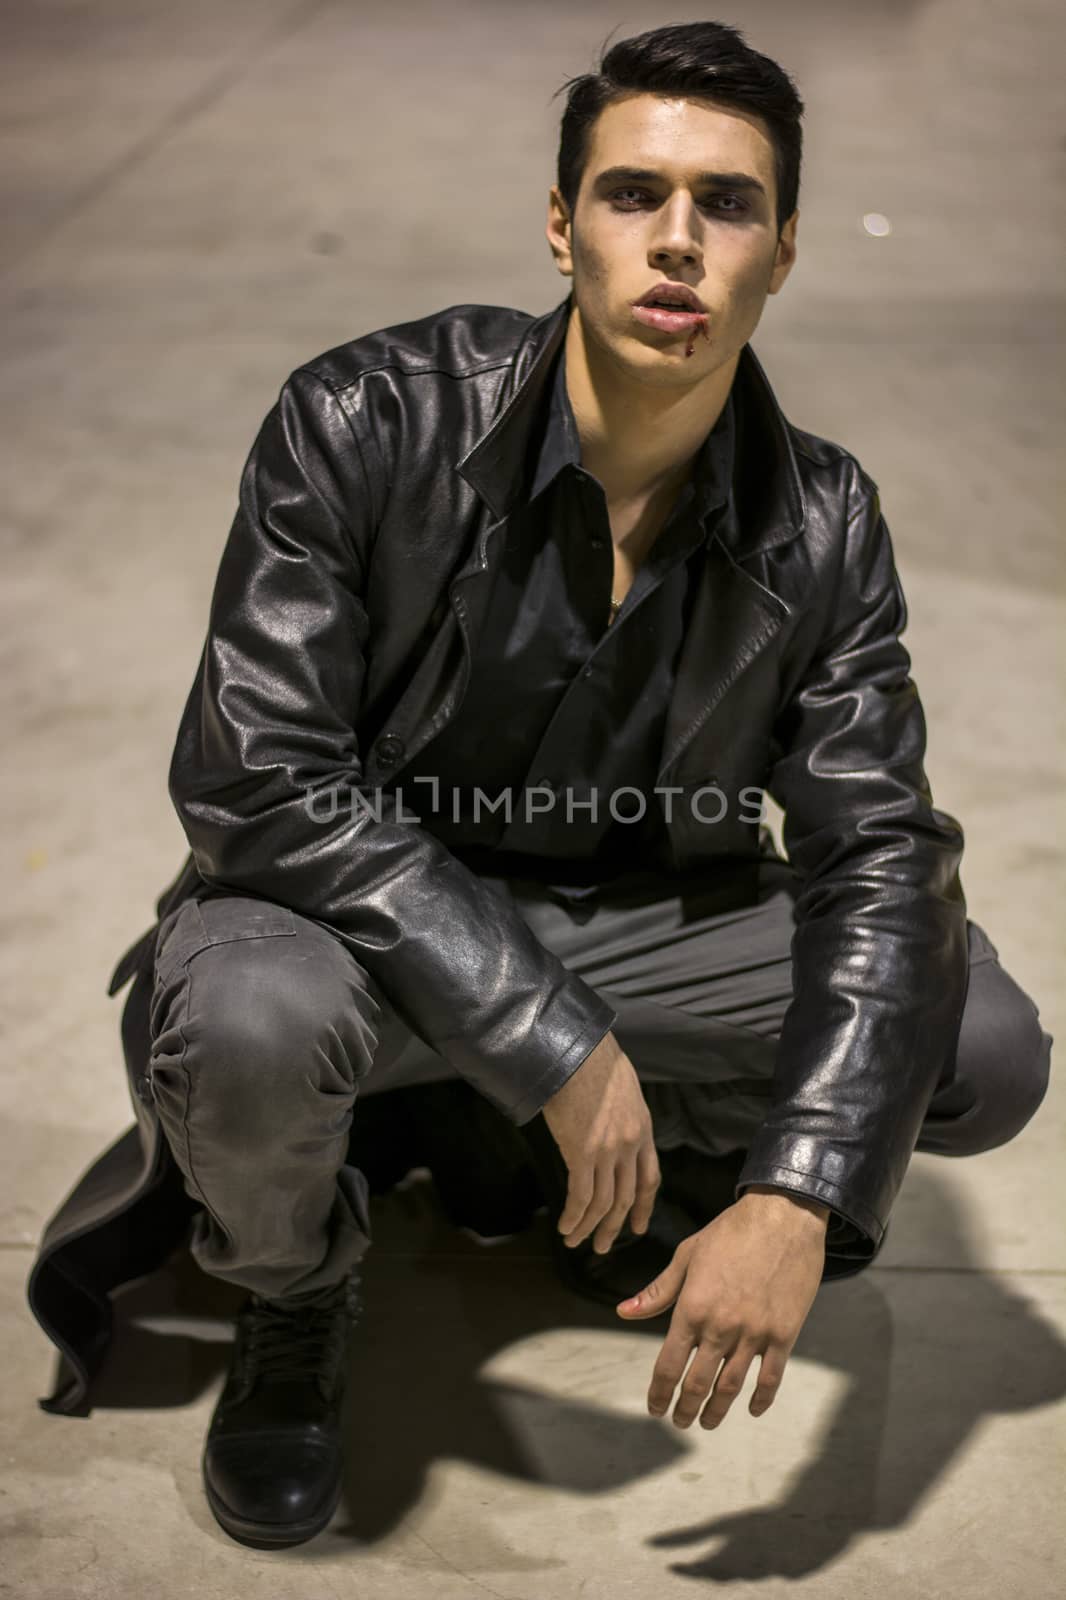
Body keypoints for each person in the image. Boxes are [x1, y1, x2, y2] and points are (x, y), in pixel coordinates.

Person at [26, 18, 1051, 1553]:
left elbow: (879, 848)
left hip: (647, 914)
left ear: (783, 253)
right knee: (244, 1022)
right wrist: (555, 1043)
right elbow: (260, 781)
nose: (680, 242)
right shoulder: (365, 421)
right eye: (635, 194)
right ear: (562, 225)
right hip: (356, 926)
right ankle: (295, 1293)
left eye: (730, 205)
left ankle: (669, 1182)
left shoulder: (821, 515)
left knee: (968, 1037)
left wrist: (797, 1192)